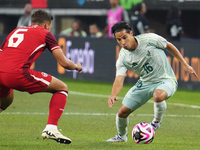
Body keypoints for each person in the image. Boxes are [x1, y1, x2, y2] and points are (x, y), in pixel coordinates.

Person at [105, 22, 197, 142]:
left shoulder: (149, 39)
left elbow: (169, 46)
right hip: (145, 83)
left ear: (131, 33)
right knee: (122, 113)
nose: (122, 42)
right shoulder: (123, 57)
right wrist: (113, 94)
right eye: (118, 40)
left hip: (165, 79)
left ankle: (155, 123)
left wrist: (185, 64)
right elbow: (119, 78)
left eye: (124, 37)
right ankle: (121, 137)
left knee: (158, 96)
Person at [0, 10, 82, 144]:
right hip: (17, 73)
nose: (50, 29)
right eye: (50, 26)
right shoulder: (45, 33)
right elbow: (64, 63)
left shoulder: (17, 30)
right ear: (46, 24)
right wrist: (76, 66)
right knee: (61, 88)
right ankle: (51, 128)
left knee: (7, 100)